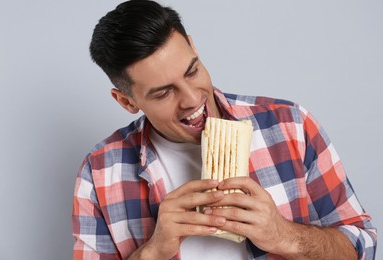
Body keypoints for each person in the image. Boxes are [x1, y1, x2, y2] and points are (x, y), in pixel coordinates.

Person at [72, 1, 377, 259]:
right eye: (164, 93)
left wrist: (284, 235)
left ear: (193, 46)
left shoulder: (290, 126)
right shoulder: (100, 173)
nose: (192, 99)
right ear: (126, 101)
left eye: (192, 71)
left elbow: (363, 245)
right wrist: (154, 251)